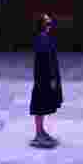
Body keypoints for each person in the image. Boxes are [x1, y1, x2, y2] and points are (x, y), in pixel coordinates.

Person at [29, 13, 62, 148]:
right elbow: (45, 61)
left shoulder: (45, 38)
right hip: (43, 78)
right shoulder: (42, 39)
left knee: (42, 106)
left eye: (50, 22)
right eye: (47, 22)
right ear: (42, 24)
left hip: (45, 77)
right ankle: (38, 135)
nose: (50, 25)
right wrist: (51, 78)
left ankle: (41, 132)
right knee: (39, 106)